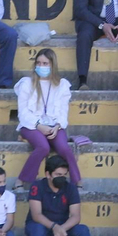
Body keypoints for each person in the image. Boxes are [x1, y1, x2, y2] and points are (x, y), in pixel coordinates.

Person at [23, 154, 91, 236]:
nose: (62, 178)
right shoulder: (37, 186)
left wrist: (61, 229)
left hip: (62, 230)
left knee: (83, 230)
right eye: (58, 174)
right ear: (48, 174)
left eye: (64, 175)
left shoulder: (70, 188)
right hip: (41, 227)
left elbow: (75, 216)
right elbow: (36, 215)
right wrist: (54, 227)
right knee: (37, 229)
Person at [17, 49, 80, 184]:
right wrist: (39, 126)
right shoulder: (27, 83)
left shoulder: (62, 85)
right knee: (43, 147)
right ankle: (22, 180)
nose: (41, 66)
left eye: (45, 63)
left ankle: (77, 181)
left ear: (52, 65)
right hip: (31, 125)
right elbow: (23, 113)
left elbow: (63, 111)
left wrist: (58, 126)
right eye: (38, 63)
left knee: (64, 148)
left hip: (54, 126)